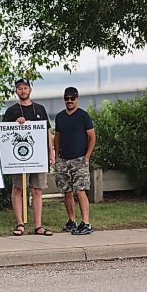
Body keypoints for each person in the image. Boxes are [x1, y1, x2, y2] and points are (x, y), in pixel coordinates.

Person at [3, 78, 55, 236]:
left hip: (38, 157)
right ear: (16, 91)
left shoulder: (40, 108)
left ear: (30, 90)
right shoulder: (11, 111)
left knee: (37, 189)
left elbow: (47, 132)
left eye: (25, 88)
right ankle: (19, 223)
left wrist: (51, 152)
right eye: (20, 88)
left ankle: (38, 225)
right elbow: (5, 134)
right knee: (18, 188)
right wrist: (15, 124)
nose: (23, 91)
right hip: (20, 157)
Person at [54, 87, 96, 235]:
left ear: (77, 98)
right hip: (63, 160)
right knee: (67, 191)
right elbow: (57, 136)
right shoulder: (60, 117)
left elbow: (92, 137)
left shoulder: (83, 116)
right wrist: (57, 156)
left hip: (79, 159)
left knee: (81, 190)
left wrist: (87, 157)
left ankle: (86, 223)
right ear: (64, 99)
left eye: (72, 98)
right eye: (67, 98)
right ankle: (72, 221)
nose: (69, 101)